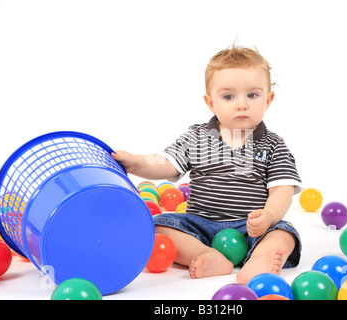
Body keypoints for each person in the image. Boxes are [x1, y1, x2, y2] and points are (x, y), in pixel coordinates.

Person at [112, 44, 302, 284]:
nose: (241, 104)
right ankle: (206, 255)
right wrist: (136, 163)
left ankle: (259, 260)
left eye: (252, 95)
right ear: (211, 103)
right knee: (157, 226)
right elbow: (166, 163)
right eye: (228, 96)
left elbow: (282, 190)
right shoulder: (197, 137)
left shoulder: (273, 144)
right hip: (199, 226)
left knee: (284, 232)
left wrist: (268, 216)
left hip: (251, 228)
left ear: (269, 99)